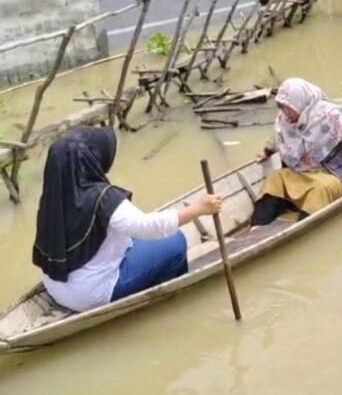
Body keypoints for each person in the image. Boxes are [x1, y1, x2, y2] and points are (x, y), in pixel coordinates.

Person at [32, 126, 222, 312]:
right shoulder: (104, 198)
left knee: (132, 237)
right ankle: (170, 300)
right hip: (90, 295)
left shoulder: (53, 195)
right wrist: (200, 208)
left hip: (55, 286)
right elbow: (148, 227)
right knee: (176, 241)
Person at [252, 78, 342, 226]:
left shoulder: (330, 115)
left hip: (331, 172)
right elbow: (278, 138)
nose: (285, 113)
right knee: (274, 179)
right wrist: (267, 151)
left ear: (301, 102)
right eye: (282, 107)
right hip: (300, 170)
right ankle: (257, 226)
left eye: (289, 108)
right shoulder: (284, 118)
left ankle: (300, 228)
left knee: (318, 190)